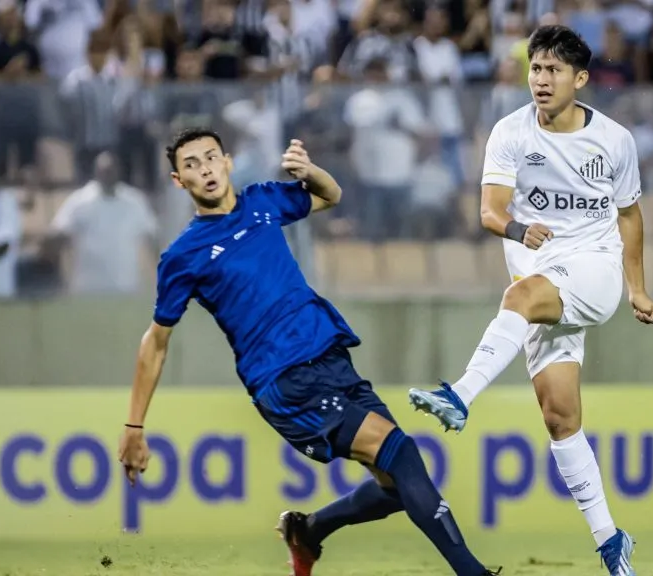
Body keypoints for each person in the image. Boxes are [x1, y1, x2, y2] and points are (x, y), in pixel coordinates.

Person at [117, 128, 499, 576]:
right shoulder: (183, 256)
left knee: (398, 483)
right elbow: (156, 341)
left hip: (330, 356)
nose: (204, 169)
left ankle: (310, 530)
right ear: (178, 181)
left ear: (228, 161)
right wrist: (134, 425)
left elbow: (330, 195)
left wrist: (309, 170)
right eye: (191, 165)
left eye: (209, 158)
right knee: (403, 454)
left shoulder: (261, 201)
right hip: (285, 379)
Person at [408, 25, 653, 576]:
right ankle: (612, 542)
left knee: (517, 295)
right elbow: (490, 212)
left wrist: (636, 286)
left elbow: (630, 216)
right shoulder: (510, 132)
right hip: (542, 275)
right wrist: (519, 231)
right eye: (535, 69)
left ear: (580, 78)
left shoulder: (614, 141)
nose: (541, 80)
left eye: (553, 70)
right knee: (560, 417)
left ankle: (461, 394)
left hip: (592, 272)